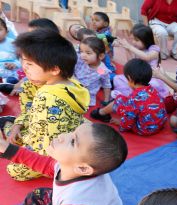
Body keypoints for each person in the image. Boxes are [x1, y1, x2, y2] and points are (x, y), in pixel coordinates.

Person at [1, 29, 89, 181]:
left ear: (55, 69)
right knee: (14, 128)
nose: (24, 67)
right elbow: (29, 110)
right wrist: (19, 125)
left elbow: (46, 145)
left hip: (52, 147)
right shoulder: (70, 83)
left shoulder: (47, 99)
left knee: (14, 170)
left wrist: (22, 152)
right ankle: (11, 126)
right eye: (23, 61)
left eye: (29, 64)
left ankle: (57, 169)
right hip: (62, 134)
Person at [90, 59, 167, 136]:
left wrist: (121, 124)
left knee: (119, 99)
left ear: (130, 79)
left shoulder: (134, 98)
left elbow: (129, 118)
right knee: (129, 103)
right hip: (159, 125)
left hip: (143, 130)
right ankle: (104, 111)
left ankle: (101, 113)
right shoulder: (153, 90)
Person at [112, 24, 169, 99]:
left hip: (150, 78)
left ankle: (130, 96)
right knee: (117, 78)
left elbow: (147, 57)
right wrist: (126, 48)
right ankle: (132, 96)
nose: (133, 42)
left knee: (153, 84)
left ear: (146, 39)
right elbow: (131, 63)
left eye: (136, 40)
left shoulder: (154, 49)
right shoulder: (136, 49)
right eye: (132, 39)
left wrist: (130, 47)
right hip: (138, 78)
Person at [74, 37, 112, 106]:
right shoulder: (80, 58)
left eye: (88, 53)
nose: (83, 55)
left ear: (100, 56)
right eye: (81, 51)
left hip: (86, 94)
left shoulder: (101, 70)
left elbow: (106, 84)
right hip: (73, 85)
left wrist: (106, 100)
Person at [0, 18, 20, 85]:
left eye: (0, 30)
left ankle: (10, 81)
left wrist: (15, 64)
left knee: (12, 78)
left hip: (10, 70)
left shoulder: (13, 43)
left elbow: (22, 58)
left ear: (6, 31)